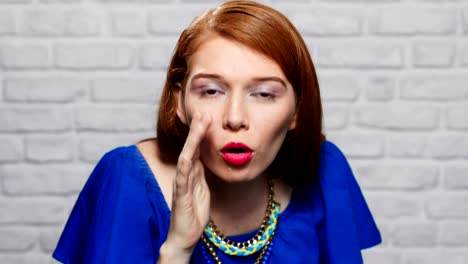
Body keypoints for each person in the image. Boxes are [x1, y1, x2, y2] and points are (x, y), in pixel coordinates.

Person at [53, 1, 381, 263]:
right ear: (179, 103)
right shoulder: (127, 178)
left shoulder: (325, 170)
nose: (235, 118)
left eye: (264, 94)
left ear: (296, 111)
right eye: (211, 91)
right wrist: (178, 248)